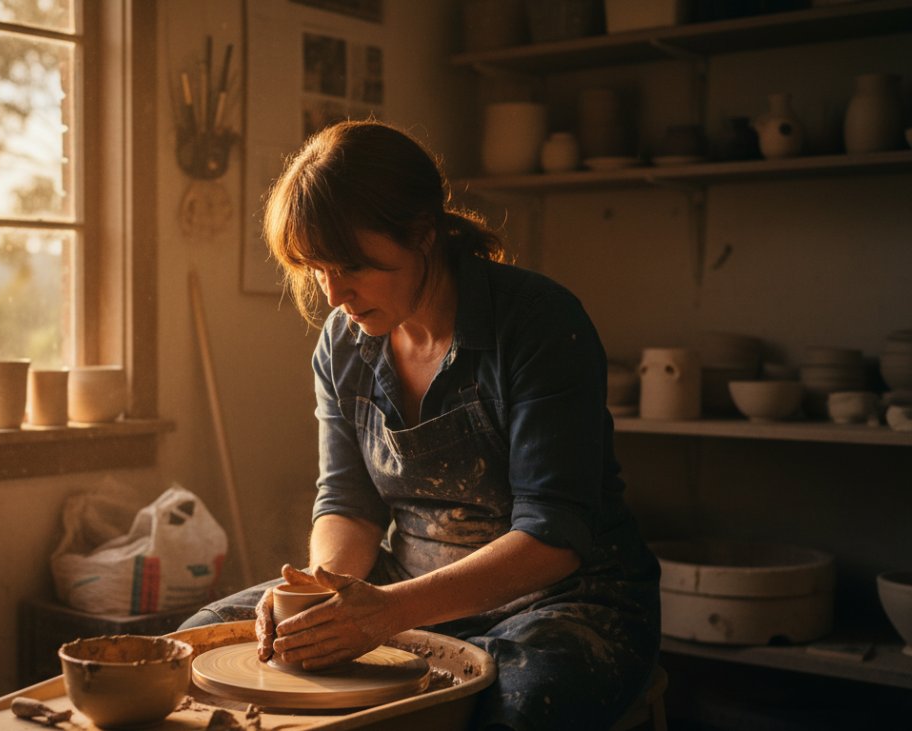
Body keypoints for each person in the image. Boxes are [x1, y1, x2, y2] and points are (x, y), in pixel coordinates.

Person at [179, 120, 660, 730]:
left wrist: (384, 614)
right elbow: (348, 502)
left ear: (423, 234)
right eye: (316, 268)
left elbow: (554, 536)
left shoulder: (537, 324)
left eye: (350, 265)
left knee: (517, 708)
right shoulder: (345, 342)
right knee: (196, 645)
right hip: (402, 586)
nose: (333, 295)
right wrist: (330, 593)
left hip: (564, 601)